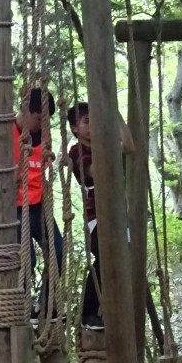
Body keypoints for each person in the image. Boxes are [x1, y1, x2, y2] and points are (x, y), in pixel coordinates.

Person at [66, 101, 134, 332]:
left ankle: (113, 313)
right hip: (97, 215)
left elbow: (129, 146)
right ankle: (88, 312)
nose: (92, 125)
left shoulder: (104, 144)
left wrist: (115, 115)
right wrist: (108, 144)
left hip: (118, 213)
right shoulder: (77, 151)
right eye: (86, 121)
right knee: (104, 257)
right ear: (75, 128)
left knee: (124, 261)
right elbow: (94, 170)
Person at [15, 87, 63, 320]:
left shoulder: (42, 137)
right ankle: (20, 311)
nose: (42, 124)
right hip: (13, 206)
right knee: (27, 260)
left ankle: (45, 306)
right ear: (26, 111)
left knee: (58, 251)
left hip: (38, 204)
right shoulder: (5, 132)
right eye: (38, 118)